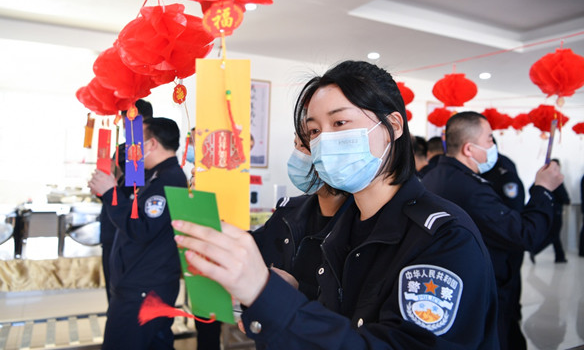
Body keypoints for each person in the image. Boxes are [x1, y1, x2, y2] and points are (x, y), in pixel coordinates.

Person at [173, 61, 499, 349]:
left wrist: (267, 295)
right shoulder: (340, 227)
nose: (323, 140)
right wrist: (294, 293)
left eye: (339, 123)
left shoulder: (445, 239)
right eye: (313, 130)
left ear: (393, 126)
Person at [421, 111, 564, 350]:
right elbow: (525, 234)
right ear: (469, 149)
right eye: (488, 139)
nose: (492, 145)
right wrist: (544, 189)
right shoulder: (471, 189)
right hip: (481, 293)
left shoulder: (433, 177)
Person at [89, 117, 186, 350]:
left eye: (137, 141)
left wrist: (110, 192)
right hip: (144, 285)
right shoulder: (154, 176)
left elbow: (141, 228)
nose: (131, 147)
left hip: (143, 289)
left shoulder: (168, 179)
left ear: (151, 144)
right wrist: (111, 189)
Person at [251, 134, 353, 300]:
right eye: (295, 144)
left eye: (304, 145)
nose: (296, 155)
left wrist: (299, 289)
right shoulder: (287, 212)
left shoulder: (362, 223)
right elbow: (251, 247)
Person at [99, 99, 153, 302]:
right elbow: (115, 186)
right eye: (125, 126)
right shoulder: (120, 150)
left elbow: (136, 188)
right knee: (113, 296)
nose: (128, 131)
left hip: (131, 233)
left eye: (133, 125)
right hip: (111, 227)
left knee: (126, 298)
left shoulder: (150, 155)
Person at [532, 159, 570, 263]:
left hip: (548, 211)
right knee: (553, 235)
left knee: (554, 236)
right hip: (556, 212)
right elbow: (564, 198)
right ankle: (535, 250)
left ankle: (560, 256)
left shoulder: (543, 180)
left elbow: (533, 190)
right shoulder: (555, 181)